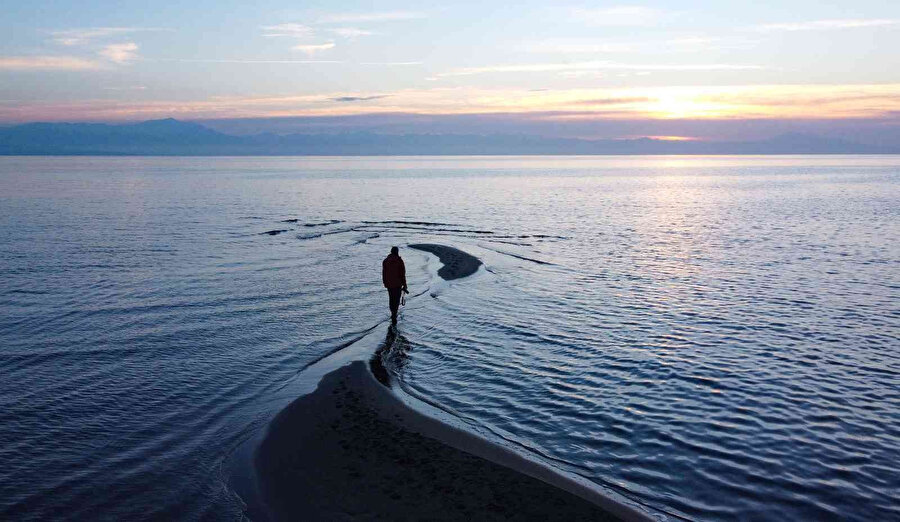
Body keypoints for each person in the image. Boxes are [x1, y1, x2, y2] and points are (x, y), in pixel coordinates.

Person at [382, 246, 408, 325]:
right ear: (397, 252)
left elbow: (384, 274)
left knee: (391, 299)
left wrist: (385, 283)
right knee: (396, 300)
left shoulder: (385, 261)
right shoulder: (399, 261)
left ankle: (392, 313)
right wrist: (405, 285)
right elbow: (402, 274)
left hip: (389, 284)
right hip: (397, 284)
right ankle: (394, 314)